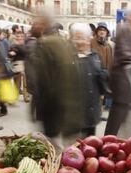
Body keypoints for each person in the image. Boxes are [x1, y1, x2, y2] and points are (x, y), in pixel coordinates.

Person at [28, 14, 84, 151]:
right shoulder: (63, 43)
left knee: (56, 149)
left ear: (44, 24)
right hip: (65, 110)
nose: (33, 25)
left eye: (37, 22)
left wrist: (38, 106)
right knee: (67, 149)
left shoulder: (46, 44)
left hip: (54, 110)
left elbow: (43, 82)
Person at [104, 6, 131, 136]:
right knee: (117, 114)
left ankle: (114, 140)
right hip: (123, 79)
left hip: (125, 79)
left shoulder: (130, 29)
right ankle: (108, 140)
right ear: (130, 16)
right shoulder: (125, 29)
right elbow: (127, 55)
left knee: (120, 113)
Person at [70, 23, 108, 137]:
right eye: (76, 38)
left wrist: (104, 76)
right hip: (74, 113)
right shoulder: (67, 58)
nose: (79, 42)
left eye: (82, 38)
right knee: (74, 147)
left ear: (88, 39)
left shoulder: (95, 57)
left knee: (90, 144)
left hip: (92, 111)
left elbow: (102, 81)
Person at [9, 31, 29, 102]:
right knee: (17, 82)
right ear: (16, 37)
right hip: (16, 65)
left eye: (21, 36)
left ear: (23, 37)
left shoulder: (24, 45)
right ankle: (15, 97)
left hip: (25, 64)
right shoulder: (14, 45)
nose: (19, 38)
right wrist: (11, 54)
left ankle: (25, 96)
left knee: (25, 82)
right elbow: (10, 54)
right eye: (18, 36)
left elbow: (25, 53)